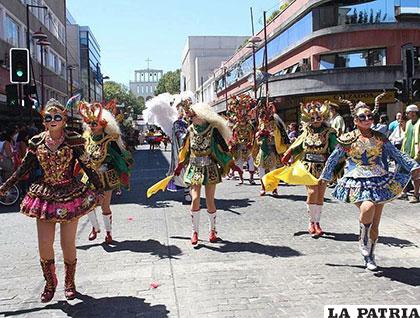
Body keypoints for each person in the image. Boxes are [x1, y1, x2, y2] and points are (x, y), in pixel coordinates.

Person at [0, 99, 103, 302]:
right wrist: (6, 186)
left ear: (64, 120)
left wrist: (99, 188)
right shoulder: (36, 142)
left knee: (67, 243)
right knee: (45, 244)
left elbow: (87, 166)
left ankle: (69, 282)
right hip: (45, 195)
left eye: (57, 116)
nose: (53, 120)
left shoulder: (73, 140)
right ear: (44, 121)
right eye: (49, 117)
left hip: (69, 193)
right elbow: (24, 168)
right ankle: (50, 282)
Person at [320, 93, 420, 271]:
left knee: (375, 222)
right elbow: (334, 158)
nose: (367, 119)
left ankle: (370, 255)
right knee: (367, 208)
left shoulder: (380, 137)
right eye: (362, 117)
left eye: (369, 116)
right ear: (355, 119)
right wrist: (325, 176)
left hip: (379, 179)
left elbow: (396, 155)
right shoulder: (348, 138)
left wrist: (412, 165)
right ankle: (363, 242)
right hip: (357, 180)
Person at [174, 102, 234, 246]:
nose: (190, 118)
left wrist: (231, 164)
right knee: (195, 199)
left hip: (210, 168)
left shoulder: (213, 130)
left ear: (201, 116)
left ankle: (212, 230)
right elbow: (185, 150)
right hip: (195, 167)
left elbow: (222, 149)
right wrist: (179, 166)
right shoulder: (190, 130)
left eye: (193, 115)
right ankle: (195, 232)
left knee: (209, 201)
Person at [78, 101, 133, 244]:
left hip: (106, 177)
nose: (91, 126)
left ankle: (108, 233)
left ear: (103, 124)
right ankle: (95, 228)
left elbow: (121, 158)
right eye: (89, 123)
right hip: (90, 177)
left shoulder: (110, 140)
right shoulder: (86, 139)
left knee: (104, 205)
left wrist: (124, 171)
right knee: (89, 204)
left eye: (94, 123)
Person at [281, 101, 337, 237]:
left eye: (319, 118)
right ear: (308, 120)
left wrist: (338, 164)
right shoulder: (306, 131)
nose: (316, 121)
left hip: (324, 167)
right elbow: (298, 145)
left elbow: (335, 149)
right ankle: (311, 222)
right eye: (312, 118)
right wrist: (288, 154)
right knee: (312, 192)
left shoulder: (330, 132)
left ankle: (317, 223)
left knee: (320, 194)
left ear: (323, 117)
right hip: (309, 166)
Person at [254, 101, 290, 196]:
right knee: (261, 170)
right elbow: (257, 138)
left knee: (273, 170)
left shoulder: (276, 124)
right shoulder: (261, 123)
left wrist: (270, 135)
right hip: (262, 150)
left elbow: (279, 137)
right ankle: (263, 187)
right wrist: (259, 136)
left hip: (272, 150)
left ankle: (274, 189)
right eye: (263, 115)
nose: (264, 117)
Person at [228, 94, 257, 185]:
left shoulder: (249, 126)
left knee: (251, 162)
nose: (241, 114)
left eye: (243, 112)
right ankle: (241, 179)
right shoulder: (236, 126)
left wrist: (251, 143)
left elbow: (253, 136)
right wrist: (232, 143)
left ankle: (251, 178)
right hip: (239, 146)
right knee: (239, 163)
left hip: (248, 147)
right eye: (239, 112)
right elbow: (233, 137)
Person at [401, 104, 420, 203]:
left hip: (417, 152)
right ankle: (404, 193)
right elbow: (406, 137)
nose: (407, 114)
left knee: (416, 175)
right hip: (406, 152)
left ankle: (416, 195)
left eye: (408, 112)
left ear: (413, 112)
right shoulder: (408, 123)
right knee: (404, 173)